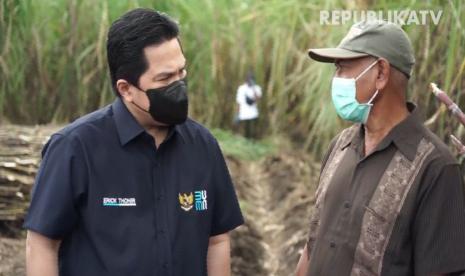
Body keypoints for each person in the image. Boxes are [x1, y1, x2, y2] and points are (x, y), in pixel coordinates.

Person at [24, 8, 243, 276]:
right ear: (126, 89)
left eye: (181, 73)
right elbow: (42, 243)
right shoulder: (75, 148)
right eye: (164, 78)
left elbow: (217, 239)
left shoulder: (202, 145)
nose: (179, 87)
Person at [295, 20, 465, 276]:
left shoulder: (437, 169)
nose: (336, 80)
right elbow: (313, 245)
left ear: (381, 73)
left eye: (343, 69)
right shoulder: (339, 147)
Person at [235, 71, 262, 138]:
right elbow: (239, 101)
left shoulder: (257, 88)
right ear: (246, 79)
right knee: (245, 129)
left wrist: (253, 88)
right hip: (244, 113)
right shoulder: (241, 88)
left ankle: (253, 141)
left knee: (252, 129)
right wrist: (237, 113)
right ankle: (245, 141)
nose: (250, 81)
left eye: (251, 79)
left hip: (253, 113)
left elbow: (258, 98)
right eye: (249, 79)